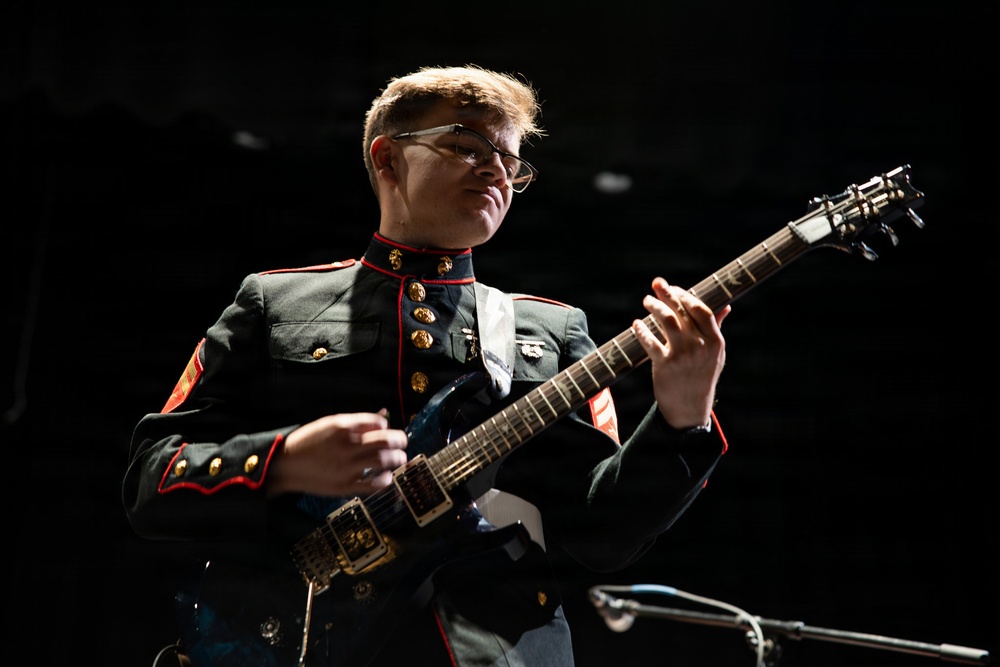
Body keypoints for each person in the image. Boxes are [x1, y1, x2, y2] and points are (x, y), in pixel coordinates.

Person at [122, 64, 731, 667]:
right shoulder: (274, 303)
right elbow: (152, 481)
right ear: (388, 159)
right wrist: (281, 462)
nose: (497, 168)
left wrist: (683, 418)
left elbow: (605, 536)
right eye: (468, 145)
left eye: (511, 160)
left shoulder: (552, 331)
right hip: (295, 642)